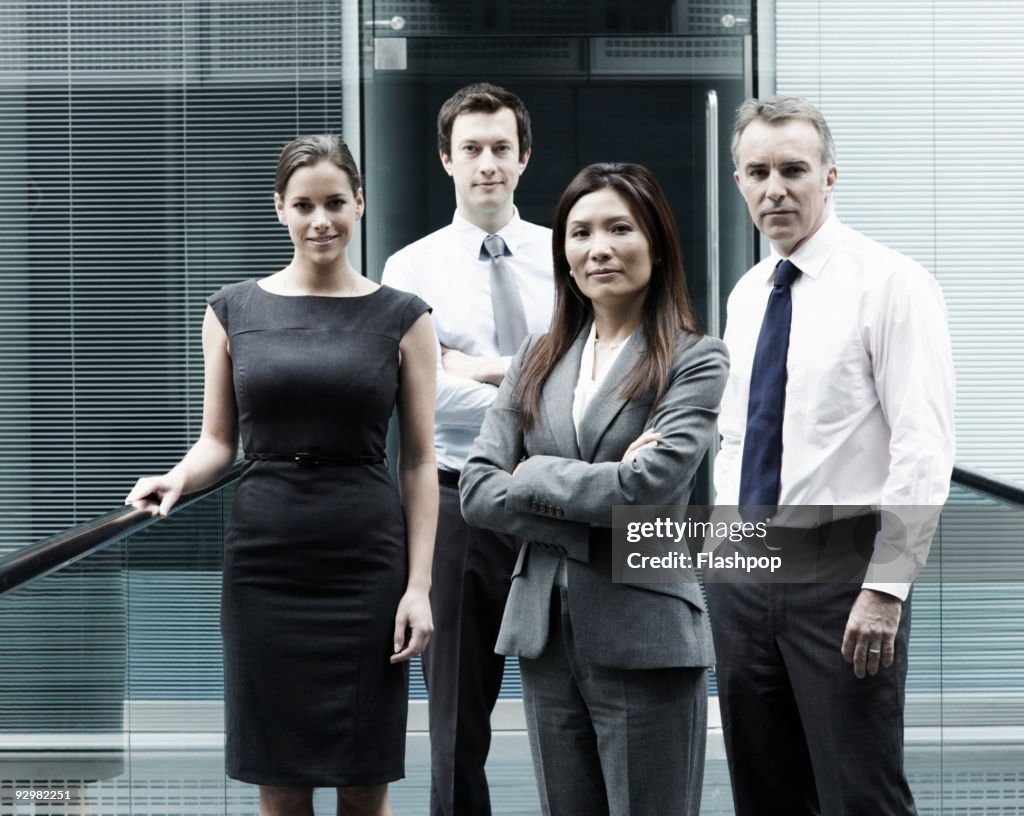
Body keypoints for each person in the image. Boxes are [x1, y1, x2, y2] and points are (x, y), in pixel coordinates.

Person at [126, 134, 438, 816]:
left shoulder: (405, 317)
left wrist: (418, 588)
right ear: (279, 210)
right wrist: (175, 478)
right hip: (266, 561)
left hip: (365, 560)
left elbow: (418, 460)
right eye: (304, 205)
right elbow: (218, 441)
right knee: (280, 781)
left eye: (334, 202)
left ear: (360, 202)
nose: (320, 219)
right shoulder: (231, 310)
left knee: (364, 782)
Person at [706, 95, 955, 816]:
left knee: (860, 796)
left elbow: (923, 447)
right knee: (767, 794)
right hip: (747, 576)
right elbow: (737, 439)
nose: (774, 187)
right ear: (739, 183)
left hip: (844, 583)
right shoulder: (749, 293)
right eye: (757, 171)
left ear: (830, 177)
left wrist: (886, 589)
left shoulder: (892, 283)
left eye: (793, 169)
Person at [460, 162, 729, 816]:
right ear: (565, 255)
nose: (598, 247)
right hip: (544, 635)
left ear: (657, 245)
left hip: (645, 633)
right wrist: (598, 490)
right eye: (580, 233)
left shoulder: (694, 359)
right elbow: (473, 490)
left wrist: (530, 474)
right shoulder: (536, 357)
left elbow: (649, 489)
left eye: (619, 228)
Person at [381, 82, 554, 816]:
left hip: (559, 501)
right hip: (457, 504)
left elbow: (600, 379)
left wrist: (471, 365)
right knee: (456, 721)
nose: (488, 164)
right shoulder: (410, 269)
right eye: (472, 150)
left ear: (523, 160)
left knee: (576, 709)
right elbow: (422, 398)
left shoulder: (567, 252)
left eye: (501, 149)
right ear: (447, 158)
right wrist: (533, 382)